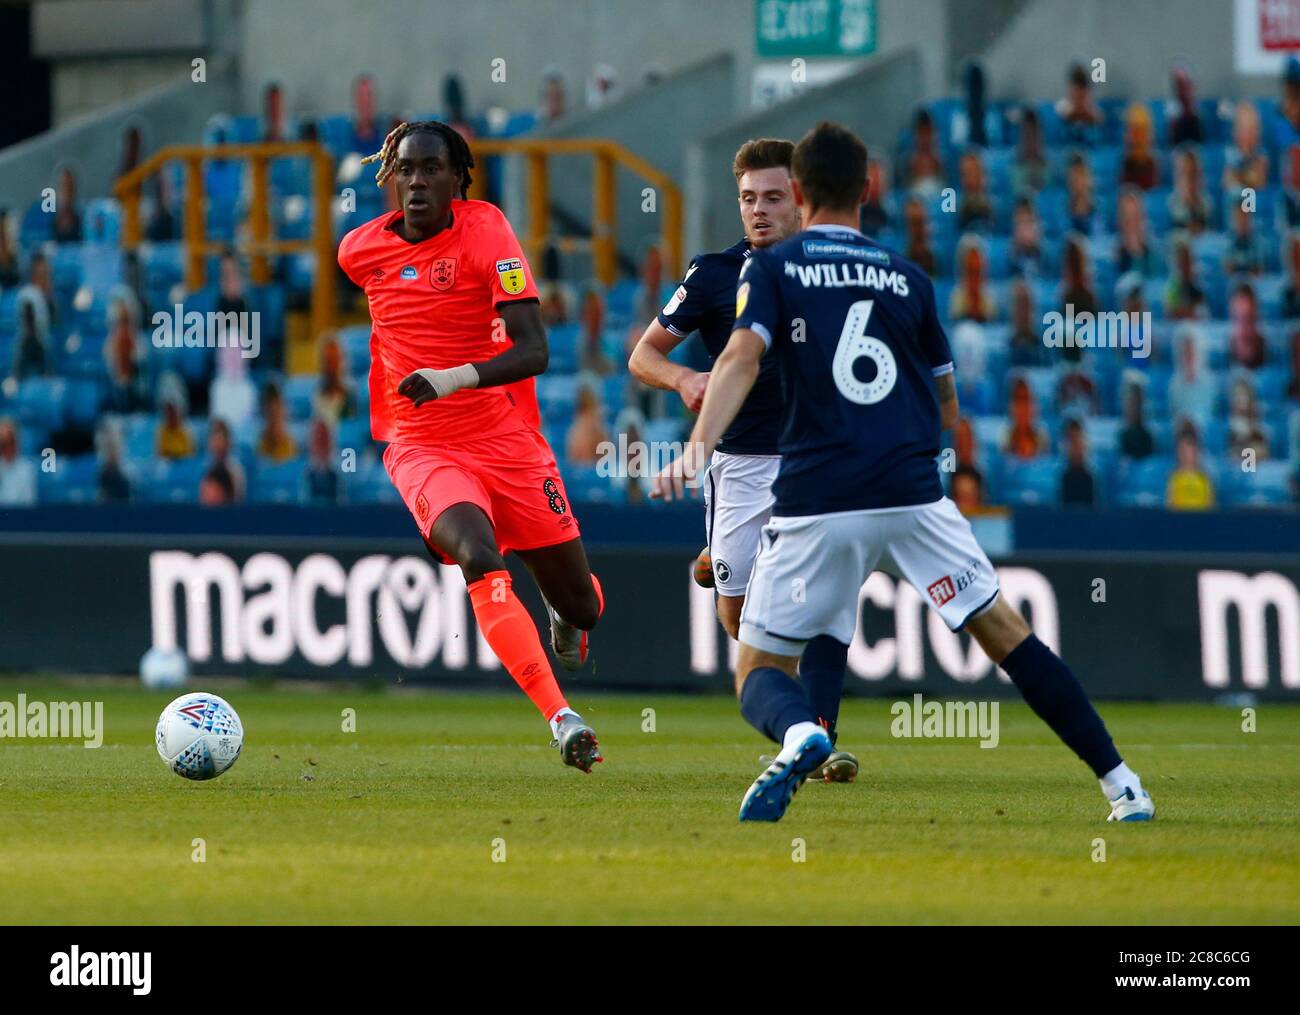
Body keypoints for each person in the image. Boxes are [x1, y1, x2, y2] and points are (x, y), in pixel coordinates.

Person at [653, 121, 1153, 824]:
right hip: (911, 490)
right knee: (1009, 635)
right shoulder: (907, 276)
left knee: (758, 670)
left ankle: (801, 734)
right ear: (868, 189)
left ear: (798, 192)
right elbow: (948, 404)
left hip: (817, 492)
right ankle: (1123, 784)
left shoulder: (772, 269)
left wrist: (697, 446)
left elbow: (736, 360)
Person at [340, 121, 605, 771]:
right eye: (405, 169)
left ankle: (564, 614)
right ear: (390, 177)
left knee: (581, 604)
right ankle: (561, 716)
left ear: (459, 180)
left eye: (433, 168)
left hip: (505, 439)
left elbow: (534, 350)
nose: (418, 181)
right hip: (421, 445)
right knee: (477, 554)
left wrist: (452, 377)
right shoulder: (359, 251)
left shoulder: (486, 232)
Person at [629, 137, 858, 782]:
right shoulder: (711, 275)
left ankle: (817, 735)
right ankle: (724, 563)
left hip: (817, 462)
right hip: (740, 466)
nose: (759, 210)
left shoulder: (833, 268)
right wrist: (680, 379)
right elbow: (642, 354)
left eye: (774, 197)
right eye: (748, 199)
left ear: (802, 199)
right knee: (739, 616)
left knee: (818, 601)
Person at [1166, 424, 1214, 510]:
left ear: (1196, 451)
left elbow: (1210, 508)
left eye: (1187, 450)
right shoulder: (1174, 478)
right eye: (1181, 449)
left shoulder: (1205, 478)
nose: (1183, 453)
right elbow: (1170, 507)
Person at [199, 417, 245, 505]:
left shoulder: (236, 470)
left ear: (228, 442)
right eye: (214, 439)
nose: (217, 444)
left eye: (220, 439)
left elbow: (237, 500)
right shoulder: (202, 469)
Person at [257, 381, 298, 464]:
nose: (276, 417)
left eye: (278, 413)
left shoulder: (289, 443)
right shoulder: (261, 443)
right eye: (271, 414)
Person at [302, 417, 340, 505]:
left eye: (324, 438)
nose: (321, 444)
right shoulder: (304, 475)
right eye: (317, 438)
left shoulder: (337, 475)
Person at [0, 418, 36, 506]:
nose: (8, 448)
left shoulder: (27, 468)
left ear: (16, 442)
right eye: (4, 444)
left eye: (11, 442)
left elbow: (29, 503)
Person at [1060, 419, 1096, 506]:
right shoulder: (1061, 477)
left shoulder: (1091, 478)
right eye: (1071, 441)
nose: (1075, 446)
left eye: (1078, 439)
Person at [1119, 382, 1155, 459]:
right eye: (1128, 405)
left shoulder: (1147, 436)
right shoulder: (1122, 435)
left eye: (1135, 404)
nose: (1132, 409)